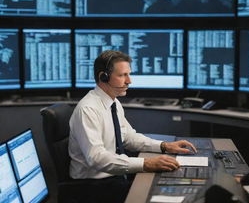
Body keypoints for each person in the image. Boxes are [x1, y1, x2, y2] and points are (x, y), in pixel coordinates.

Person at [68, 50, 197, 203]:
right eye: (122, 75)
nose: (129, 81)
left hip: (114, 177)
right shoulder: (88, 109)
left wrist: (164, 146)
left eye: (128, 74)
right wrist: (146, 163)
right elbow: (97, 159)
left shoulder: (113, 102)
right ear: (103, 77)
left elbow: (129, 137)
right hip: (93, 186)